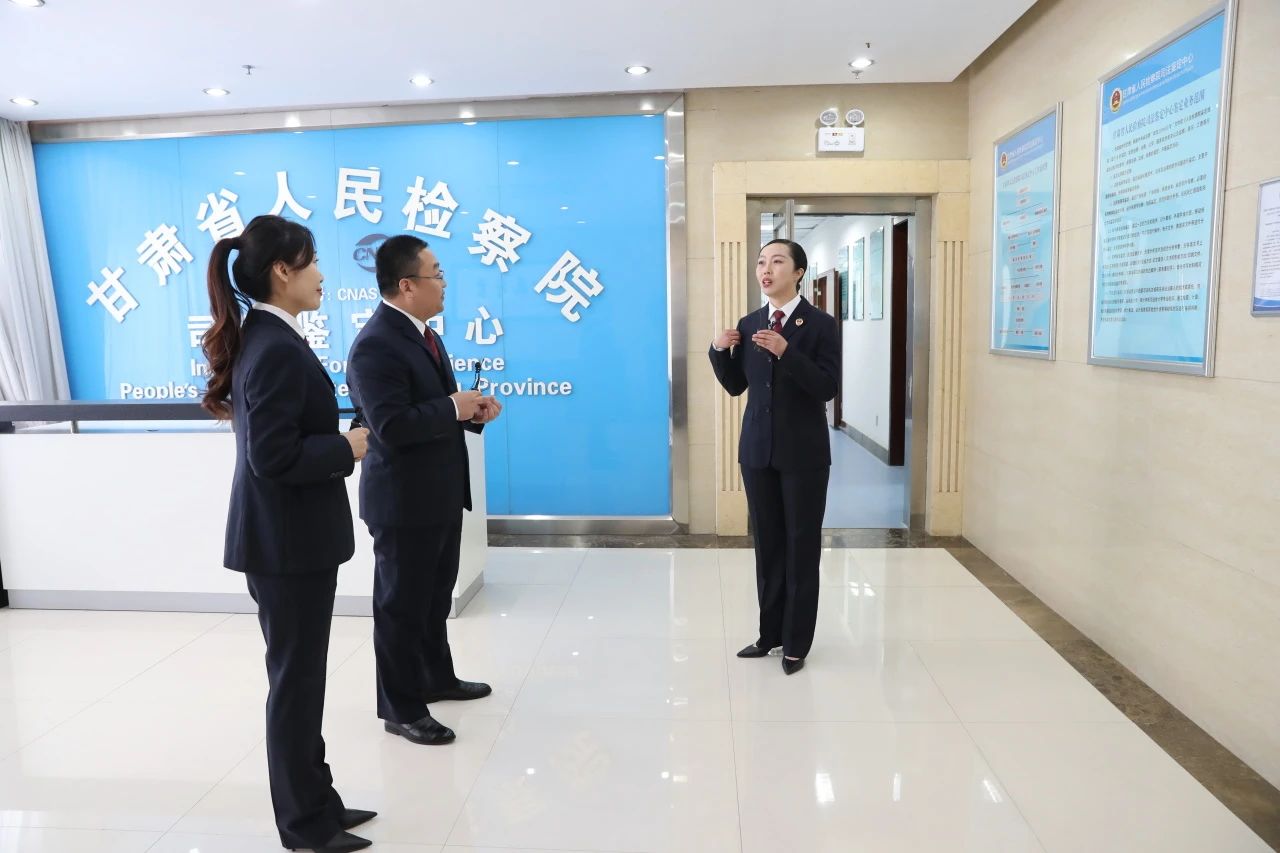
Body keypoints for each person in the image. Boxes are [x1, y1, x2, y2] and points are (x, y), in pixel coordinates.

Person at [201, 214, 375, 853]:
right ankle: (304, 826)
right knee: (296, 685)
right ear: (282, 270)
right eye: (313, 261)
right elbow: (272, 457)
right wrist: (346, 447)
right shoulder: (273, 345)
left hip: (290, 540)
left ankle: (319, 801)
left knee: (302, 680)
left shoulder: (270, 337)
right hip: (286, 545)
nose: (323, 274)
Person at [346, 234, 502, 745]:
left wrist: (470, 413)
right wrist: (452, 407)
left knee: (433, 598)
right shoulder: (376, 343)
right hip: (403, 502)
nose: (444, 283)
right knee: (401, 607)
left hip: (437, 493)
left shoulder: (424, 335)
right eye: (437, 274)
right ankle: (400, 707)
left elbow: (429, 410)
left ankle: (436, 677)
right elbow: (390, 425)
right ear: (407, 284)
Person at [708, 238, 840, 675]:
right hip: (757, 451)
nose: (766, 269)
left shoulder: (820, 324)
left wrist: (788, 353)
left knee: (801, 547)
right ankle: (770, 635)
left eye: (777, 261)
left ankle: (796, 643)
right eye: (761, 262)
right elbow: (736, 386)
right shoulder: (749, 323)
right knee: (768, 546)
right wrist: (717, 351)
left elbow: (826, 387)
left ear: (798, 272)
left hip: (804, 454)